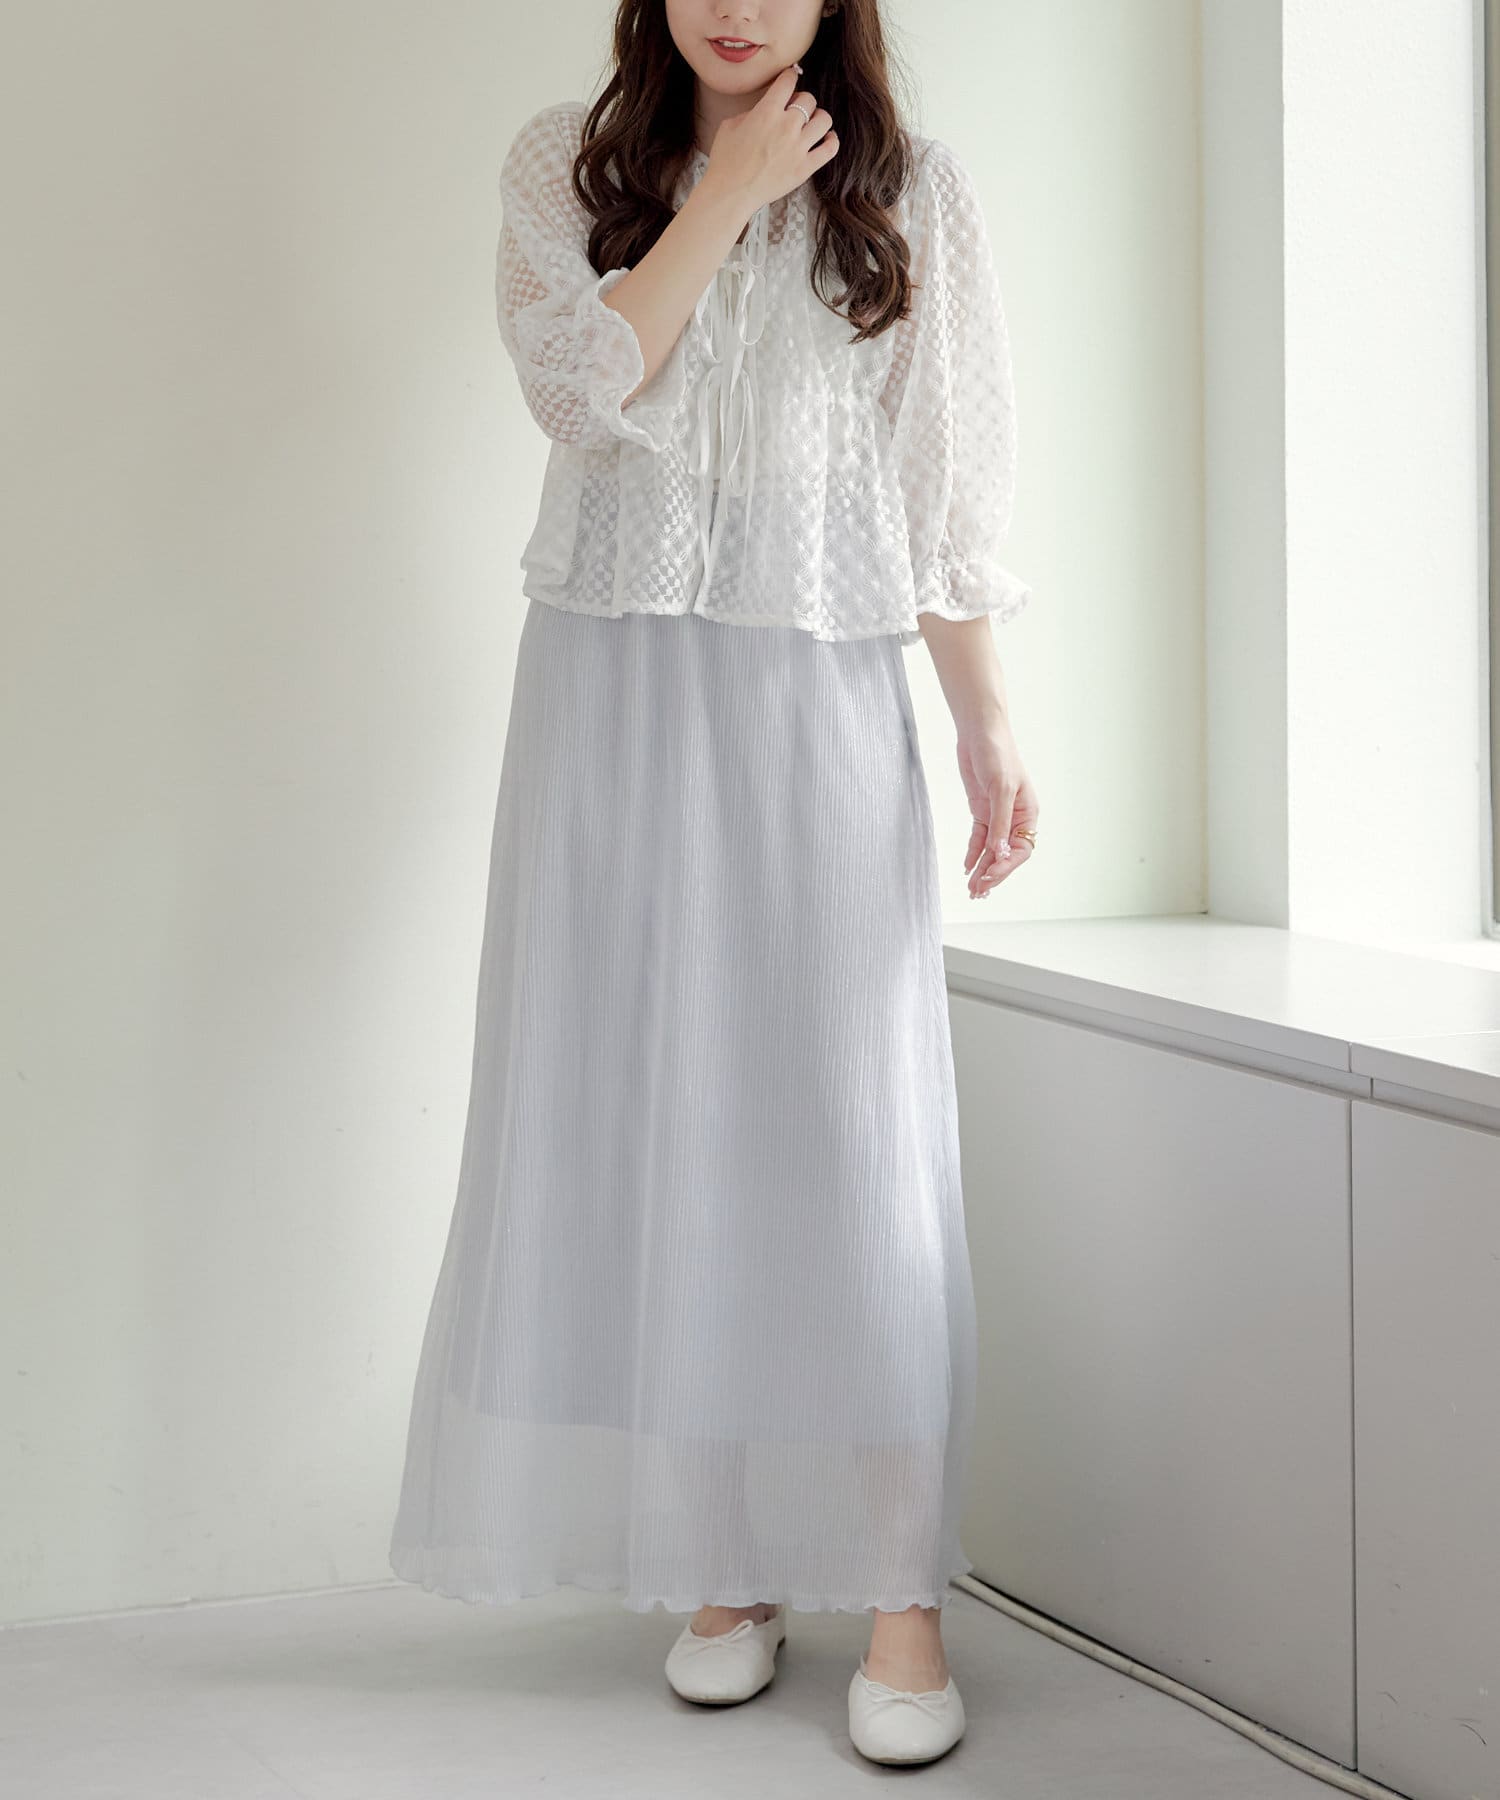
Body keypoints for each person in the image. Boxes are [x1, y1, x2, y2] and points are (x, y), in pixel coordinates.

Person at [388, 0, 1039, 1768]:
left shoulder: (915, 193)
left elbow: (941, 489)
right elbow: (577, 389)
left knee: (846, 1124)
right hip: (611, 688)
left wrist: (986, 725)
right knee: (660, 1109)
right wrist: (727, 194)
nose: (734, 4)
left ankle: (898, 1592)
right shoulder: (566, 165)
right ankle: (725, 1567)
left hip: (815, 678)